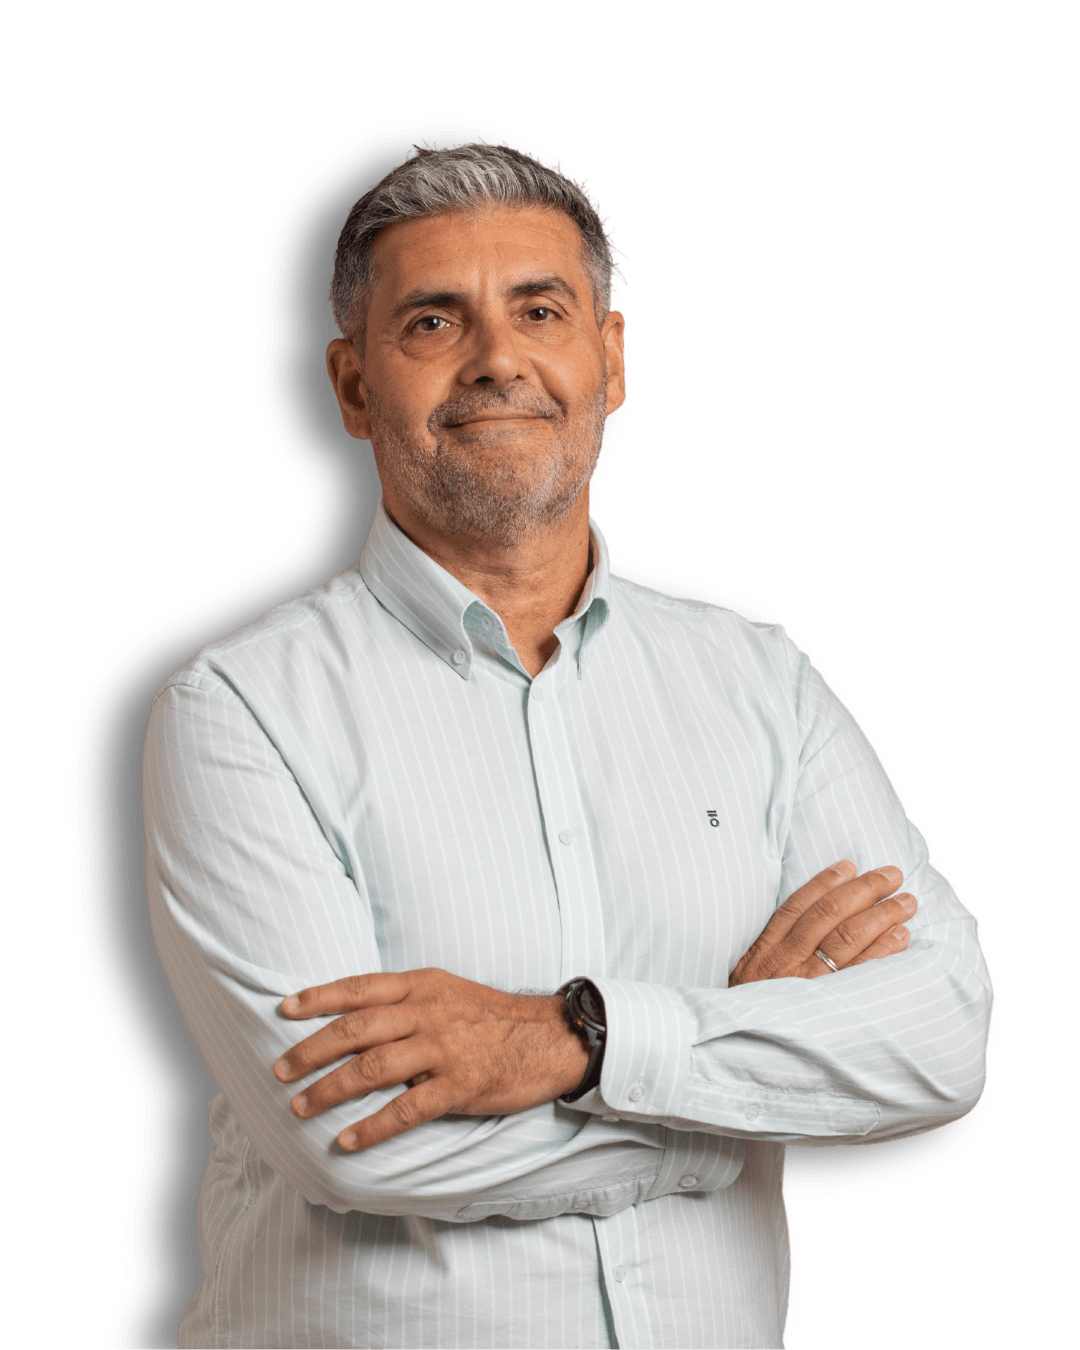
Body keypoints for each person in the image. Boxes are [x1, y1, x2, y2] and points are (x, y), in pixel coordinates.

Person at [143, 143, 993, 1350]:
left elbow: (940, 1038)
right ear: (352, 387)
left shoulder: (757, 679)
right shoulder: (238, 706)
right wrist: (734, 1089)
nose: (497, 358)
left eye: (540, 311)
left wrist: (577, 1040)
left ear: (611, 360)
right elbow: (354, 1137)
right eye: (434, 321)